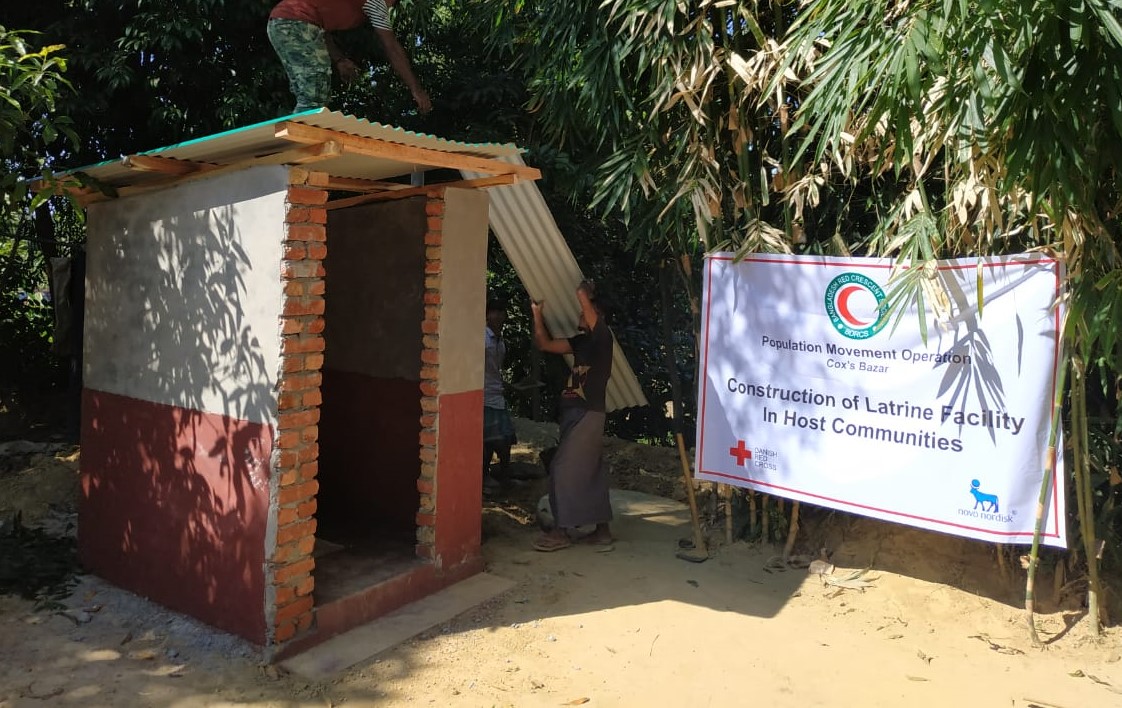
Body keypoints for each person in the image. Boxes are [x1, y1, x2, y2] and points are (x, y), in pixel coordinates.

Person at [530, 280, 614, 551]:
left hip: (587, 413)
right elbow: (544, 344)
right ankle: (602, 530)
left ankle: (561, 531)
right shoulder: (581, 343)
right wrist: (536, 314)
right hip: (576, 412)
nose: (580, 314)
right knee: (590, 470)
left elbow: (580, 294)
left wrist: (586, 290)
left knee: (561, 468)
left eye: (585, 312)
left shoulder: (603, 338)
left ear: (597, 316)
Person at [267, 0, 432, 115]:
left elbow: (321, 32)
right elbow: (391, 47)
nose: (387, 11)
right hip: (296, 23)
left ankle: (292, 139)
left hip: (280, 23)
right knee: (315, 96)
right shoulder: (376, 2)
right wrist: (416, 89)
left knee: (308, 93)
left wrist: (340, 60)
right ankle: (295, 147)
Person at [483, 296, 517, 494]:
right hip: (485, 396)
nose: (498, 316)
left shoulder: (500, 343)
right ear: (487, 315)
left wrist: (510, 386)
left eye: (501, 312)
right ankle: (488, 477)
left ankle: (503, 478)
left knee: (503, 439)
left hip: (496, 394)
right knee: (491, 440)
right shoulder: (483, 339)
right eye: (494, 312)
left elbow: (494, 371)